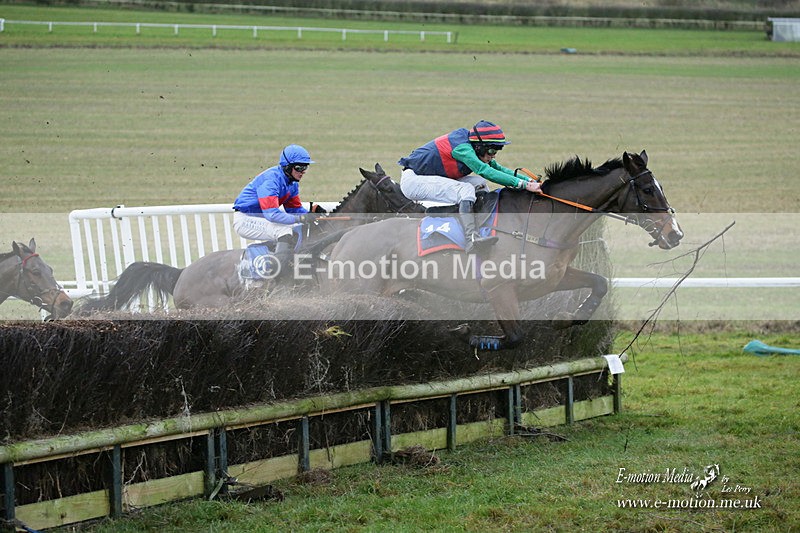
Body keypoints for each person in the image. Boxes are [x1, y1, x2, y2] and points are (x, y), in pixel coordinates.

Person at [398, 120, 541, 254]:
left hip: (428, 177)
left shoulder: (474, 145)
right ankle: (472, 238)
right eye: (491, 151)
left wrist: (530, 181)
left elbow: (498, 169)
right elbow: (486, 172)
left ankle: (482, 225)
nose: (494, 155)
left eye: (497, 151)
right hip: (414, 181)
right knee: (466, 189)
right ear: (479, 146)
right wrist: (524, 185)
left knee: (479, 184)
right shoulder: (463, 149)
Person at [233, 144, 325, 276]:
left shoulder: (292, 183)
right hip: (245, 220)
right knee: (283, 230)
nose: (303, 171)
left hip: (261, 218)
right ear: (287, 166)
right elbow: (271, 215)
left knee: (297, 230)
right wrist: (301, 218)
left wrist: (310, 214)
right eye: (299, 167)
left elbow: (294, 210)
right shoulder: (271, 180)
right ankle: (279, 275)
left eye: (305, 167)